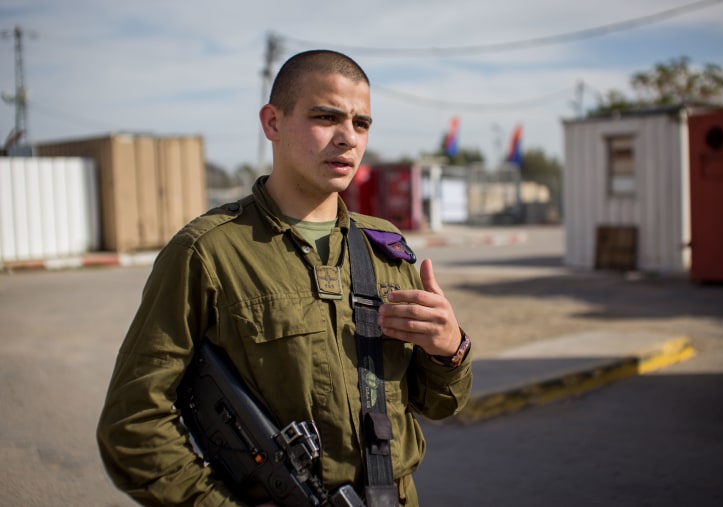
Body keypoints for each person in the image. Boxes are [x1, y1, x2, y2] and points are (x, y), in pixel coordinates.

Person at [97, 49, 472, 506]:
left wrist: (449, 351)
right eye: (326, 117)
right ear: (273, 123)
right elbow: (132, 422)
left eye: (361, 124)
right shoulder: (208, 253)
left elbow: (438, 404)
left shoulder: (385, 249)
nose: (348, 139)